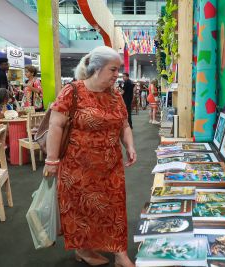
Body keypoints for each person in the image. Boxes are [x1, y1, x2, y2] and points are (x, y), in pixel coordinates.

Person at [43, 46, 136, 267]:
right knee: (82, 210)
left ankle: (120, 254)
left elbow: (124, 125)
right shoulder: (72, 91)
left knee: (115, 209)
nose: (118, 75)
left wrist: (130, 146)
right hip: (77, 168)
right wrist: (52, 160)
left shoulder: (115, 96)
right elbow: (56, 125)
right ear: (97, 68)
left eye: (118, 70)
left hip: (110, 166)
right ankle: (83, 250)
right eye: (113, 70)